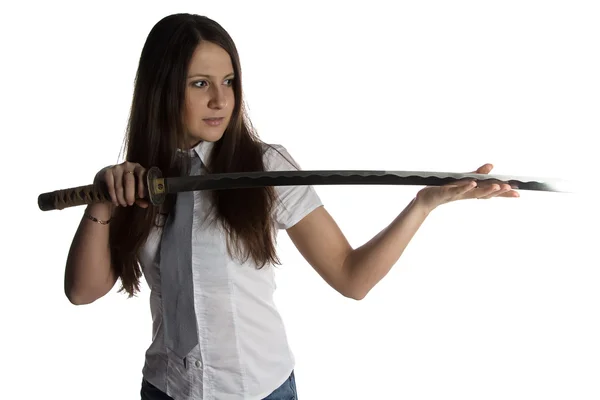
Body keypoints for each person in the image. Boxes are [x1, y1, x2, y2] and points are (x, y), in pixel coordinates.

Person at [63, 12, 518, 400]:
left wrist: (424, 203)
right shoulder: (135, 181)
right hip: (165, 389)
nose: (221, 99)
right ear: (161, 90)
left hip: (260, 391)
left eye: (228, 81)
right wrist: (102, 200)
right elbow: (83, 292)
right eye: (200, 83)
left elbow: (351, 276)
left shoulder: (266, 167)